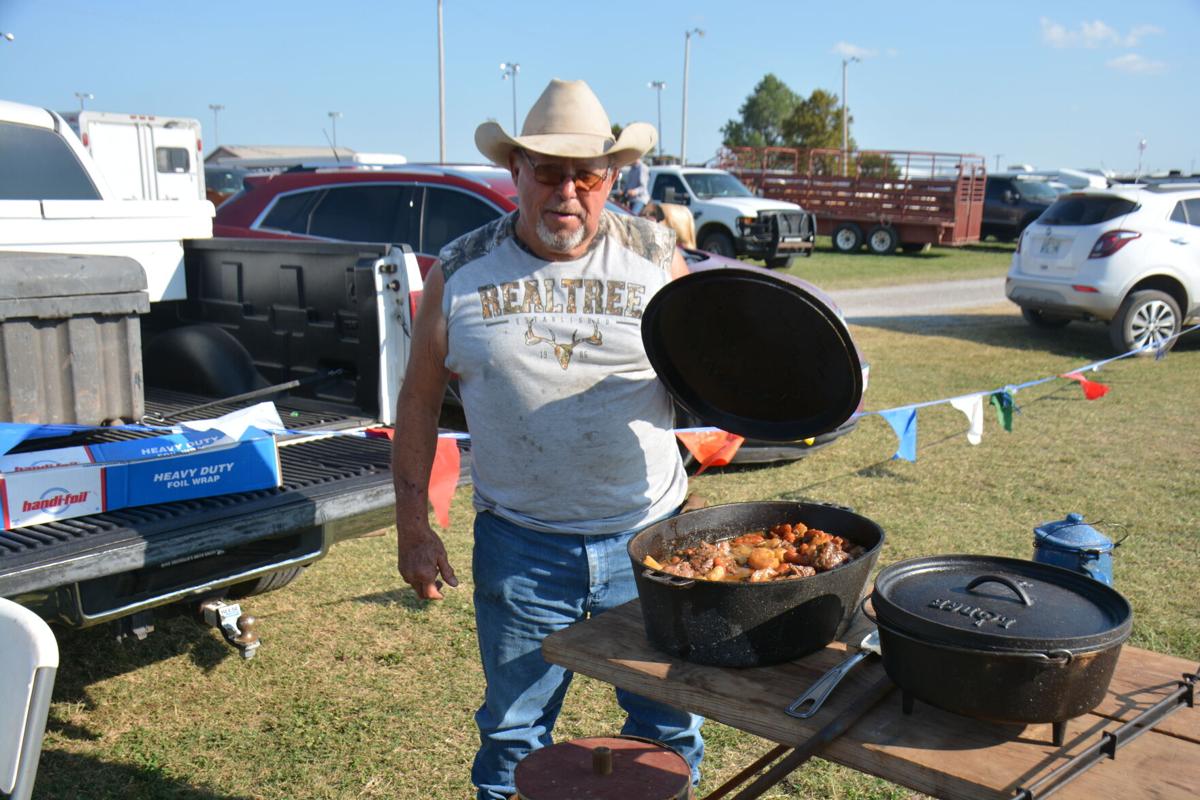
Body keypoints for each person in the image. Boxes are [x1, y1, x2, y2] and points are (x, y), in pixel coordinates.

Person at [390, 78, 704, 800]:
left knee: (667, 731)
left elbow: (705, 375)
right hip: (521, 548)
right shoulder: (461, 270)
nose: (568, 190)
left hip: (651, 544)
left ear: (612, 178)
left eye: (586, 174)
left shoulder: (657, 256)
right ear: (517, 173)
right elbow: (417, 403)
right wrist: (413, 528)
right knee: (513, 737)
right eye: (549, 171)